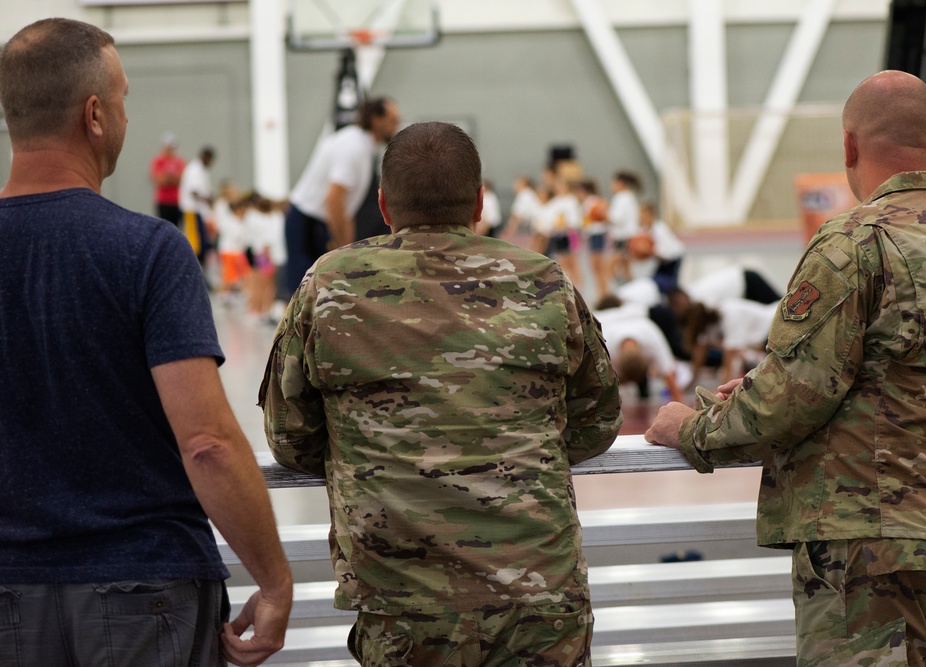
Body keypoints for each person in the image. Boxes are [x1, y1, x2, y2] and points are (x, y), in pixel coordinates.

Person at [645, 70, 926, 666]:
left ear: (849, 147)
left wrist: (692, 428)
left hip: (876, 541)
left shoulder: (855, 243)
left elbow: (795, 396)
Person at [260, 121, 622, 665]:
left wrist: (368, 446)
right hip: (539, 597)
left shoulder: (328, 285)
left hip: (403, 605)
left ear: (382, 205)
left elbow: (290, 438)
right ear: (480, 202)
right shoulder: (544, 281)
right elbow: (597, 423)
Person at [0, 18, 292, 667]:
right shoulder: (147, 251)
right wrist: (273, 579)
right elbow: (208, 441)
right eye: (125, 99)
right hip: (143, 589)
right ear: (95, 114)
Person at [282, 97, 401, 296]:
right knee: (305, 294)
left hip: (315, 222)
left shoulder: (362, 146)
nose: (396, 127)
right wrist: (344, 248)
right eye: (393, 120)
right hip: (307, 224)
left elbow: (344, 207)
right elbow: (334, 199)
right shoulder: (353, 147)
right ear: (376, 119)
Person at [179, 145, 217, 269]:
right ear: (206, 157)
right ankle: (192, 267)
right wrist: (208, 199)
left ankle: (199, 268)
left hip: (198, 211)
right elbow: (193, 191)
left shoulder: (201, 170)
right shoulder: (194, 170)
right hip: (191, 210)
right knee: (194, 241)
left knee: (201, 242)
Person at [148, 131, 185, 227]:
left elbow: (181, 180)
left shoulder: (179, 161)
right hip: (163, 201)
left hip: (177, 201)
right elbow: (159, 180)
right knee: (163, 227)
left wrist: (167, 177)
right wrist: (173, 178)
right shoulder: (158, 161)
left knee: (176, 228)